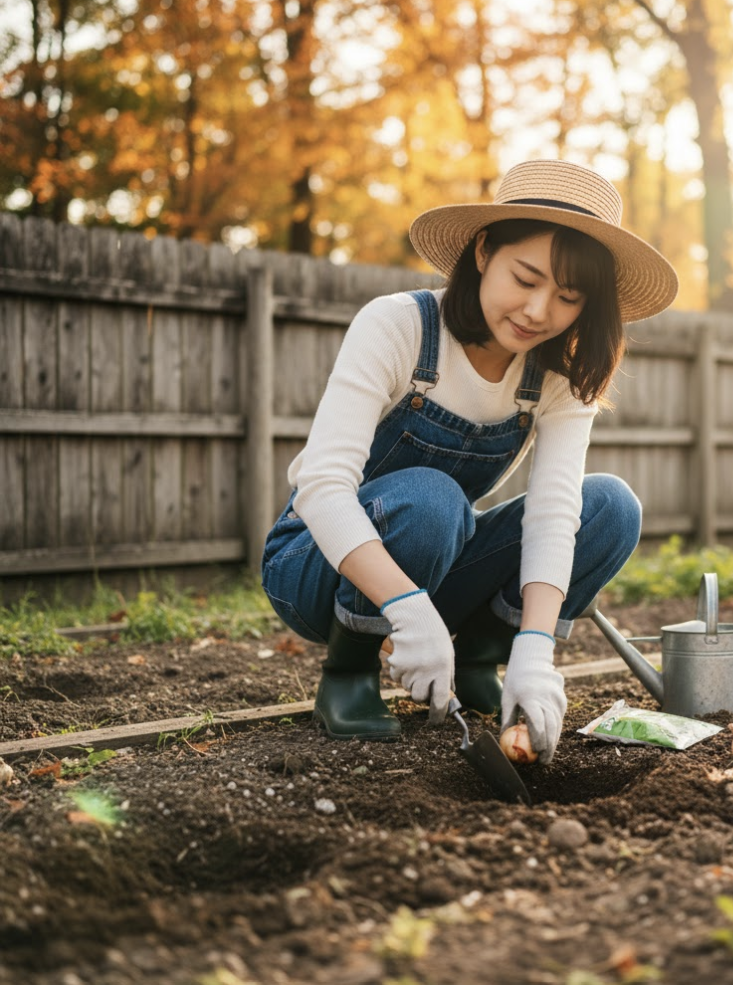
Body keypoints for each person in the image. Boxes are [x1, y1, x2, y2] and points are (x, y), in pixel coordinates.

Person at [261, 159, 678, 764]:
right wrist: (404, 609)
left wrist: (536, 650)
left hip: (439, 562)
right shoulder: (399, 325)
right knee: (433, 499)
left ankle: (484, 659)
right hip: (314, 567)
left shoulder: (559, 374)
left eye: (567, 297)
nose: (538, 311)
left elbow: (555, 515)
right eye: (526, 277)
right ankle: (348, 672)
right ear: (484, 251)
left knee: (609, 507)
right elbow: (322, 487)